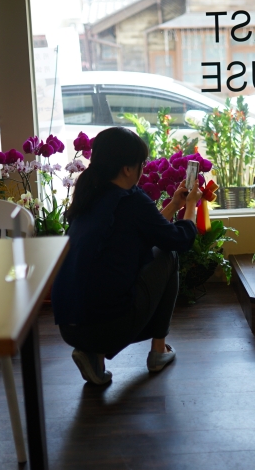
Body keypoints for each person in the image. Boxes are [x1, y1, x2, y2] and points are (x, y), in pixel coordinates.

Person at [51, 127, 202, 385]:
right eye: (141, 164)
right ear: (127, 169)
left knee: (103, 288)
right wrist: (191, 206)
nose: (143, 168)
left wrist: (175, 205)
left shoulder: (89, 194)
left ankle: (94, 358)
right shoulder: (131, 200)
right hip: (109, 327)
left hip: (69, 326)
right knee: (169, 255)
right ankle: (158, 352)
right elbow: (180, 239)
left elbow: (151, 229)